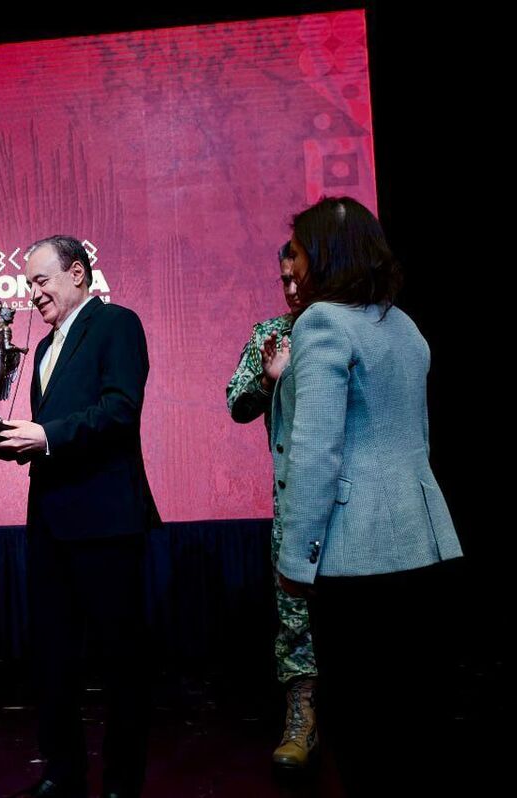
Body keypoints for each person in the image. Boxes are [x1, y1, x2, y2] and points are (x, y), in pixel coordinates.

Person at [269, 196, 463, 796]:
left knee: (360, 727)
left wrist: (296, 560)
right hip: (420, 542)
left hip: (356, 555)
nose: (293, 268)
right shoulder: (402, 323)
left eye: (297, 252)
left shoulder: (321, 322)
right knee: (411, 720)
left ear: (323, 253)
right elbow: (417, 440)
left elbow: (316, 454)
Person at [0, 235, 159, 798]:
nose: (32, 293)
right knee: (52, 659)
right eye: (27, 284)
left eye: (40, 281)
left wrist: (46, 436)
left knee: (120, 662)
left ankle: (121, 782)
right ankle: (62, 773)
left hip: (107, 520)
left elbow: (120, 410)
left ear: (76, 274)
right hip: (49, 522)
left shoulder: (117, 324)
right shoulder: (42, 350)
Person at [225, 242, 319, 770]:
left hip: (354, 504)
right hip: (293, 505)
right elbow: (237, 404)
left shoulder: (354, 327)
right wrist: (269, 377)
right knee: (295, 619)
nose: (290, 289)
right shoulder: (270, 334)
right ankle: (301, 717)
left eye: (298, 277)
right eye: (283, 279)